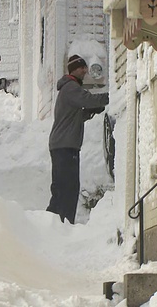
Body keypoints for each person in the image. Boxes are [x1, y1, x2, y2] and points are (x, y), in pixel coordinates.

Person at [47, 55, 109, 224]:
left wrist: (90, 112)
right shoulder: (71, 87)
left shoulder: (68, 89)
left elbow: (75, 116)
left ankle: (52, 223)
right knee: (68, 188)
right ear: (74, 69)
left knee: (61, 188)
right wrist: (109, 97)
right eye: (82, 68)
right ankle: (62, 224)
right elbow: (87, 99)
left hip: (62, 144)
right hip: (65, 146)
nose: (85, 71)